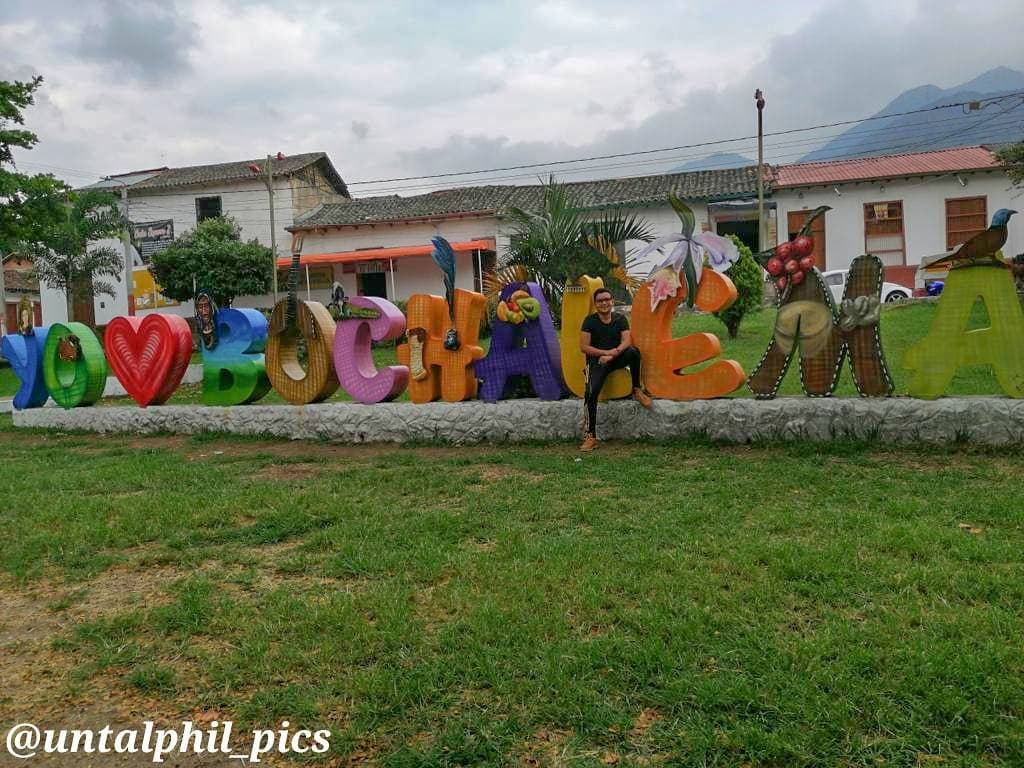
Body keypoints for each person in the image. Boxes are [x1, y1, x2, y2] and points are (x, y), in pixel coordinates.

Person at [579, 287, 652, 451]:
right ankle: (590, 436)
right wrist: (605, 354)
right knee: (591, 393)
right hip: (597, 362)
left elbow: (627, 340)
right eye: (600, 301)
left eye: (607, 300)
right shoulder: (589, 321)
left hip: (614, 357)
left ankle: (636, 389)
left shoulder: (620, 319)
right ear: (595, 304)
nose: (604, 303)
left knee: (633, 352)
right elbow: (584, 347)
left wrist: (613, 354)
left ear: (612, 301)